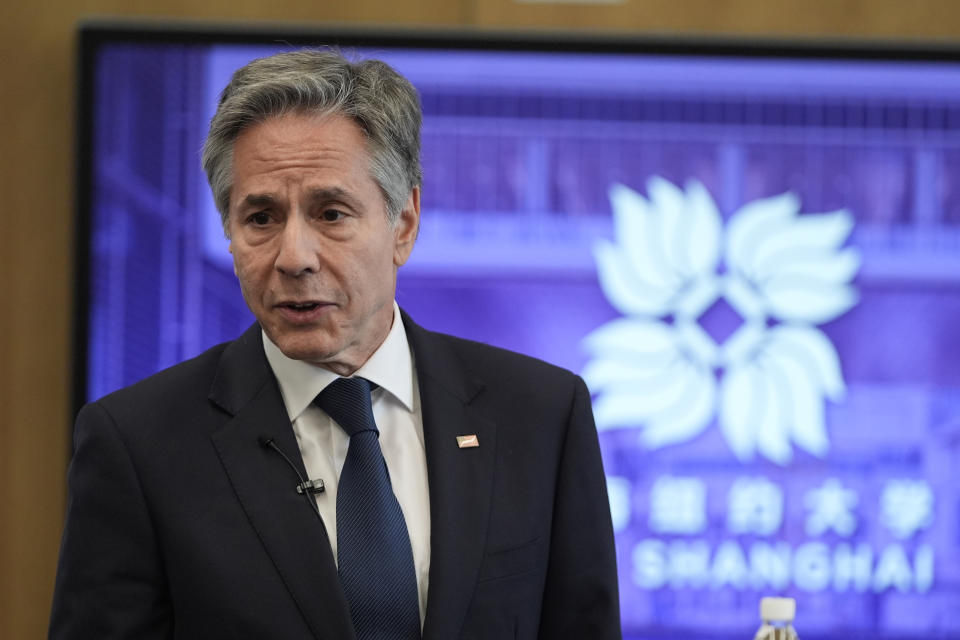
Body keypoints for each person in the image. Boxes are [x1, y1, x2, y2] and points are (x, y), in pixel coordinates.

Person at [50, 49, 621, 640]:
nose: (294, 257)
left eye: (331, 213)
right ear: (229, 231)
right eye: (261, 218)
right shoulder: (135, 443)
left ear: (403, 223)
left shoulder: (542, 414)